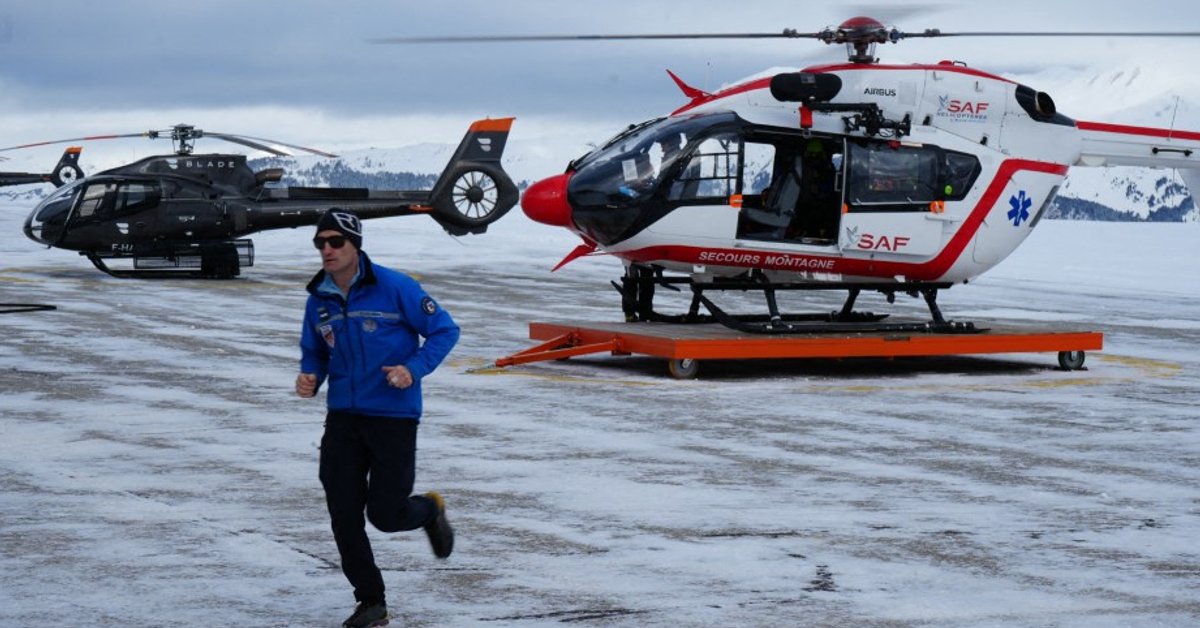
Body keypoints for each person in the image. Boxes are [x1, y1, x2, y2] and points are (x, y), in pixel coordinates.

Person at [295, 208, 458, 628]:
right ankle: (371, 602)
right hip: (343, 420)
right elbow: (315, 348)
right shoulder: (320, 297)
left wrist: (413, 369)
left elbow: (444, 330)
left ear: (355, 245)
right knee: (343, 516)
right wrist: (311, 373)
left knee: (385, 516)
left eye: (335, 242)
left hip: (392, 418)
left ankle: (428, 510)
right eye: (320, 243)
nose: (326, 250)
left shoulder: (395, 287)